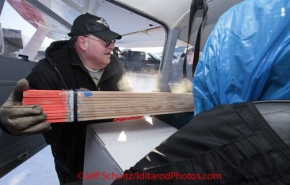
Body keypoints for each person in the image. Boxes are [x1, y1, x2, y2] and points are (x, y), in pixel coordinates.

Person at [0, 12, 132, 184]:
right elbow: (21, 111)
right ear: (83, 42)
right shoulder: (51, 70)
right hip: (72, 163)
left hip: (111, 153)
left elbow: (127, 96)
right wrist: (7, 122)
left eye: (113, 41)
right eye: (106, 41)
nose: (112, 46)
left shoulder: (115, 66)